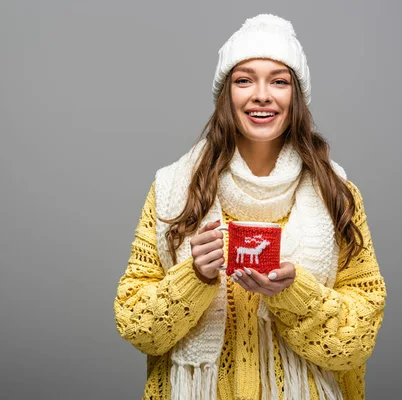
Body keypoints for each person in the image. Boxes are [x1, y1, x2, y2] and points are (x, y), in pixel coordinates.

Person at [114, 13, 387, 400]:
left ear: (297, 97)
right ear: (227, 95)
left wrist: (294, 292)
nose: (262, 94)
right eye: (244, 80)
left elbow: (360, 336)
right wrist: (194, 279)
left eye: (279, 81)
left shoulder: (336, 193)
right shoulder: (173, 189)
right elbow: (135, 323)